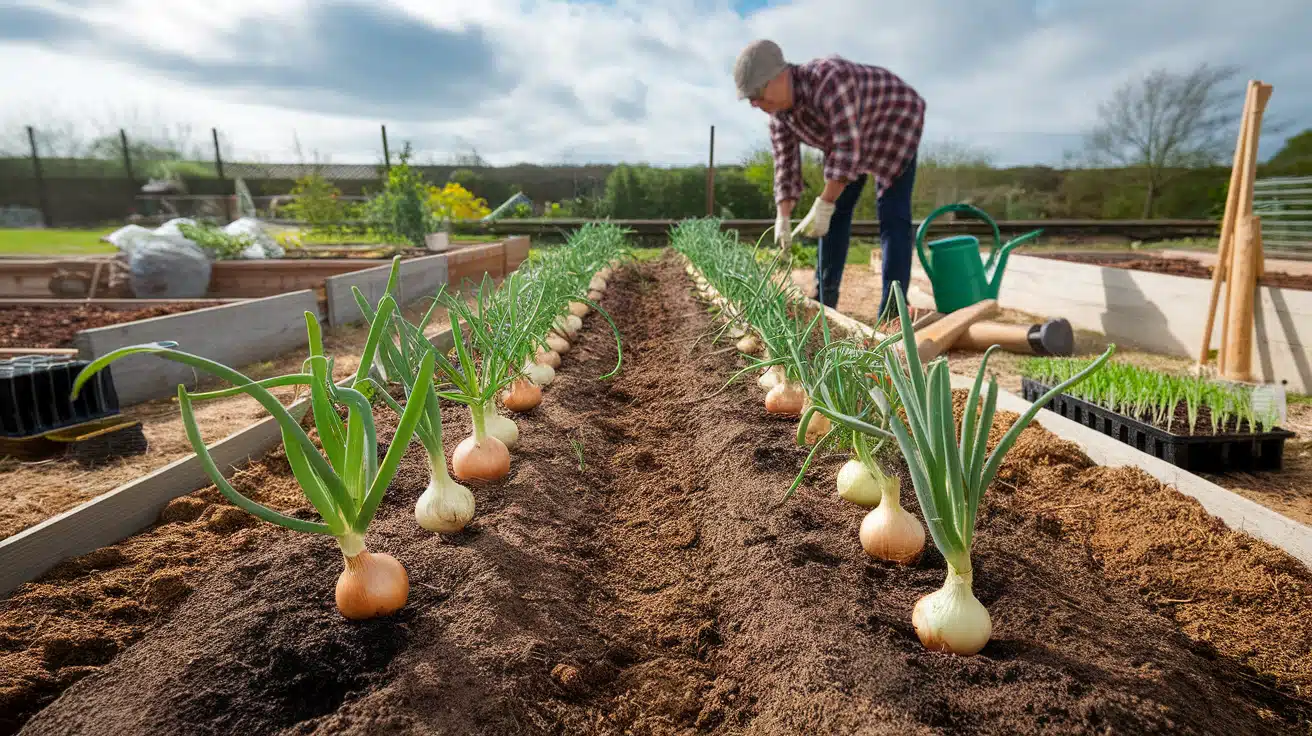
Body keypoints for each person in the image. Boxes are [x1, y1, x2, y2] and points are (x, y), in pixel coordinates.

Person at [734, 39, 925, 318]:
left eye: (758, 94)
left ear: (780, 75)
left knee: (893, 216)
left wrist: (824, 203)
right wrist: (783, 217)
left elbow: (847, 149)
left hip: (894, 123)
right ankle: (825, 303)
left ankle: (893, 312)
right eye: (751, 100)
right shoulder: (779, 116)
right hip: (852, 138)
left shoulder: (830, 79)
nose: (757, 104)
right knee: (834, 216)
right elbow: (785, 166)